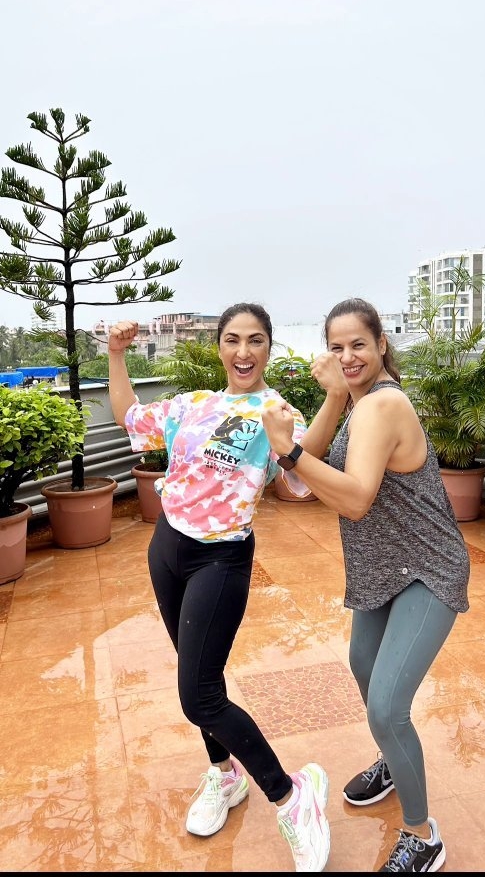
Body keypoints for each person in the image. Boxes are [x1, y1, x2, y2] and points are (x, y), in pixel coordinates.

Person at [107, 302, 348, 873]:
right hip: (167, 547)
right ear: (219, 347)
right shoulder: (193, 405)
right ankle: (223, 775)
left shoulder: (276, 412)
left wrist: (335, 397)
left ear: (268, 349)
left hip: (222, 558)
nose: (244, 351)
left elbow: (303, 464)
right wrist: (115, 354)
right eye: (234, 339)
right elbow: (129, 415)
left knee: (198, 696)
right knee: (201, 677)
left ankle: (291, 797)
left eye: (256, 340)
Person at [261, 297, 470, 874]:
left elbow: (353, 499)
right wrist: (327, 401)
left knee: (385, 705)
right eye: (336, 346)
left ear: (382, 345)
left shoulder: (384, 404)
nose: (347, 356)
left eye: (358, 344)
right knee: (362, 666)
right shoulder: (356, 404)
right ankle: (392, 760)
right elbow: (309, 468)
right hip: (383, 568)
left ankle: (423, 835)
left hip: (428, 566)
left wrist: (288, 449)